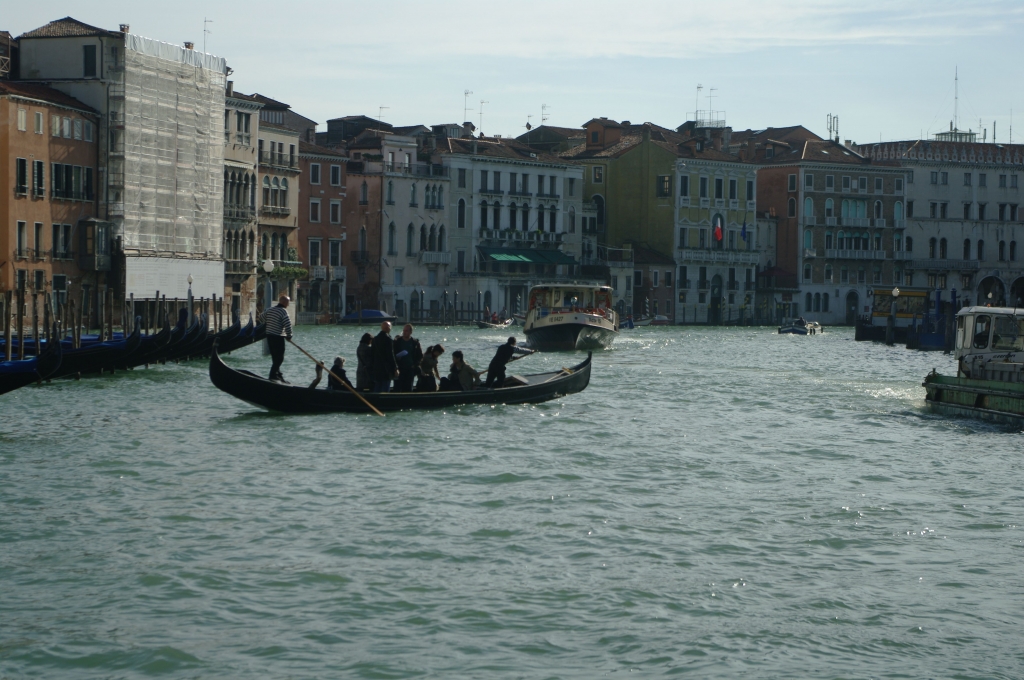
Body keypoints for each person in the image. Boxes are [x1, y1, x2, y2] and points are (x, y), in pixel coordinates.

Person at [264, 294, 292, 382]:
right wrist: (289, 336)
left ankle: (278, 375)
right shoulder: (283, 311)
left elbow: (261, 317)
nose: (288, 304)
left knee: (275, 357)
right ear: (284, 302)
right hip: (278, 337)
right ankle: (272, 375)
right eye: (288, 302)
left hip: (269, 336)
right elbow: (288, 325)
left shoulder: (270, 310)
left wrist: (271, 323)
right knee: (280, 358)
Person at [371, 321, 399, 392]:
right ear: (389, 328)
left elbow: (372, 354)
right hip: (386, 369)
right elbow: (390, 355)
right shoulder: (388, 339)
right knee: (385, 387)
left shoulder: (375, 339)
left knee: (377, 387)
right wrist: (395, 368)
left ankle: (375, 398)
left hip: (376, 368)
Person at [393, 324, 420, 392]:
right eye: (404, 330)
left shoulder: (414, 342)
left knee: (408, 388)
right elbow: (392, 354)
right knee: (397, 388)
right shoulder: (397, 341)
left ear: (411, 332)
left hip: (410, 368)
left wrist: (415, 365)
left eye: (406, 331)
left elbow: (419, 355)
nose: (404, 332)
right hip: (399, 368)